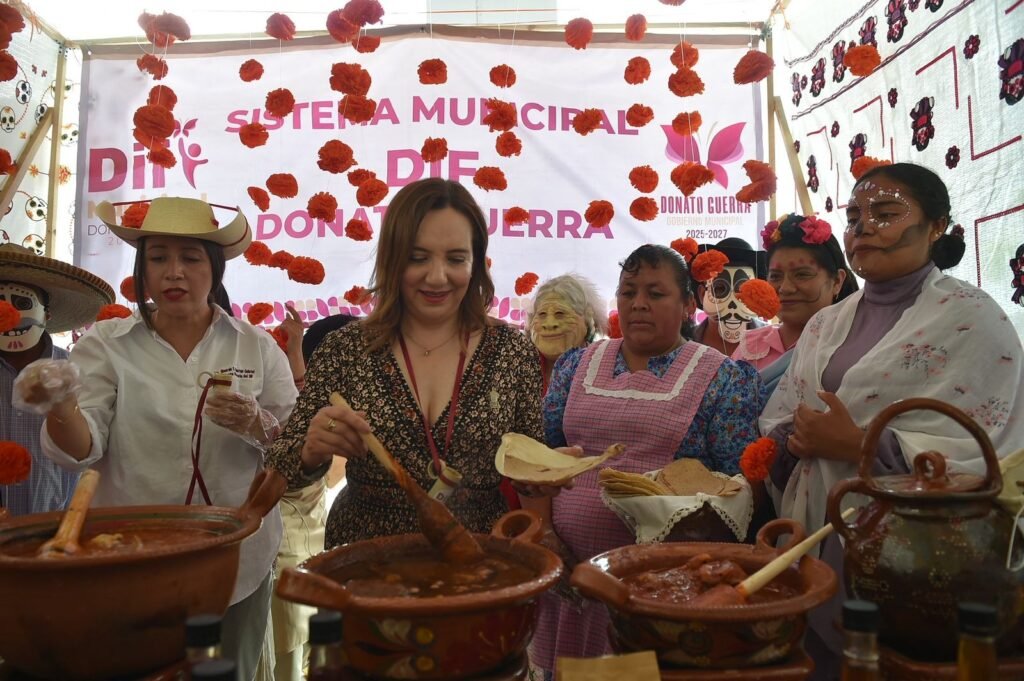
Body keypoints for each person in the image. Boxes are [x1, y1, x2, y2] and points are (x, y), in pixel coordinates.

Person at [759, 163, 1024, 680]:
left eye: (885, 214)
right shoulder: (826, 321)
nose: (863, 229)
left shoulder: (973, 318)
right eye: (855, 216)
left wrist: (858, 444)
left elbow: (994, 448)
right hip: (817, 530)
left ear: (936, 226)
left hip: (915, 553)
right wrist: (793, 437)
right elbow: (783, 413)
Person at [20, 197, 298, 681]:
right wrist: (60, 405)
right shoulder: (107, 344)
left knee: (227, 672)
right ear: (141, 269)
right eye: (158, 258)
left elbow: (294, 445)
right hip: (130, 560)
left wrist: (257, 423)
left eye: (190, 259)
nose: (174, 273)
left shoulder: (254, 345)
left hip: (237, 562)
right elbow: (82, 450)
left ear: (215, 269)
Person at [523, 244, 763, 675]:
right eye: (628, 291)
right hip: (570, 574)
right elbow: (541, 457)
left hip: (664, 582)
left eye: (656, 293)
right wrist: (544, 533)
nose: (638, 304)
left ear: (689, 303)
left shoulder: (724, 376)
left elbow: (739, 485)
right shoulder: (576, 365)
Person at [267, 178, 544, 548]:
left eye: (456, 258)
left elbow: (527, 465)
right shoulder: (345, 349)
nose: (437, 276)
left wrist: (548, 471)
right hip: (366, 558)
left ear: (476, 262)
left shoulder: (513, 352)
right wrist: (310, 450)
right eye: (418, 257)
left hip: (478, 555)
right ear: (393, 260)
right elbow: (280, 469)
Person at [0, 244, 113, 516]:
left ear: (47, 315)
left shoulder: (77, 370)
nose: (9, 315)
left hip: (60, 524)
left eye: (23, 303)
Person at [747, 214, 858, 392]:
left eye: (802, 274)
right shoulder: (749, 345)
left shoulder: (855, 345)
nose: (785, 288)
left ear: (837, 281)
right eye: (775, 276)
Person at [527, 274, 607, 392]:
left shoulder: (603, 365)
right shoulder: (518, 365)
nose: (549, 324)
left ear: (587, 318)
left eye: (560, 313)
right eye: (542, 314)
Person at [692, 237, 767, 357]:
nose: (733, 304)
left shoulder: (772, 341)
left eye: (743, 290)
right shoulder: (685, 343)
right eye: (720, 289)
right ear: (702, 295)